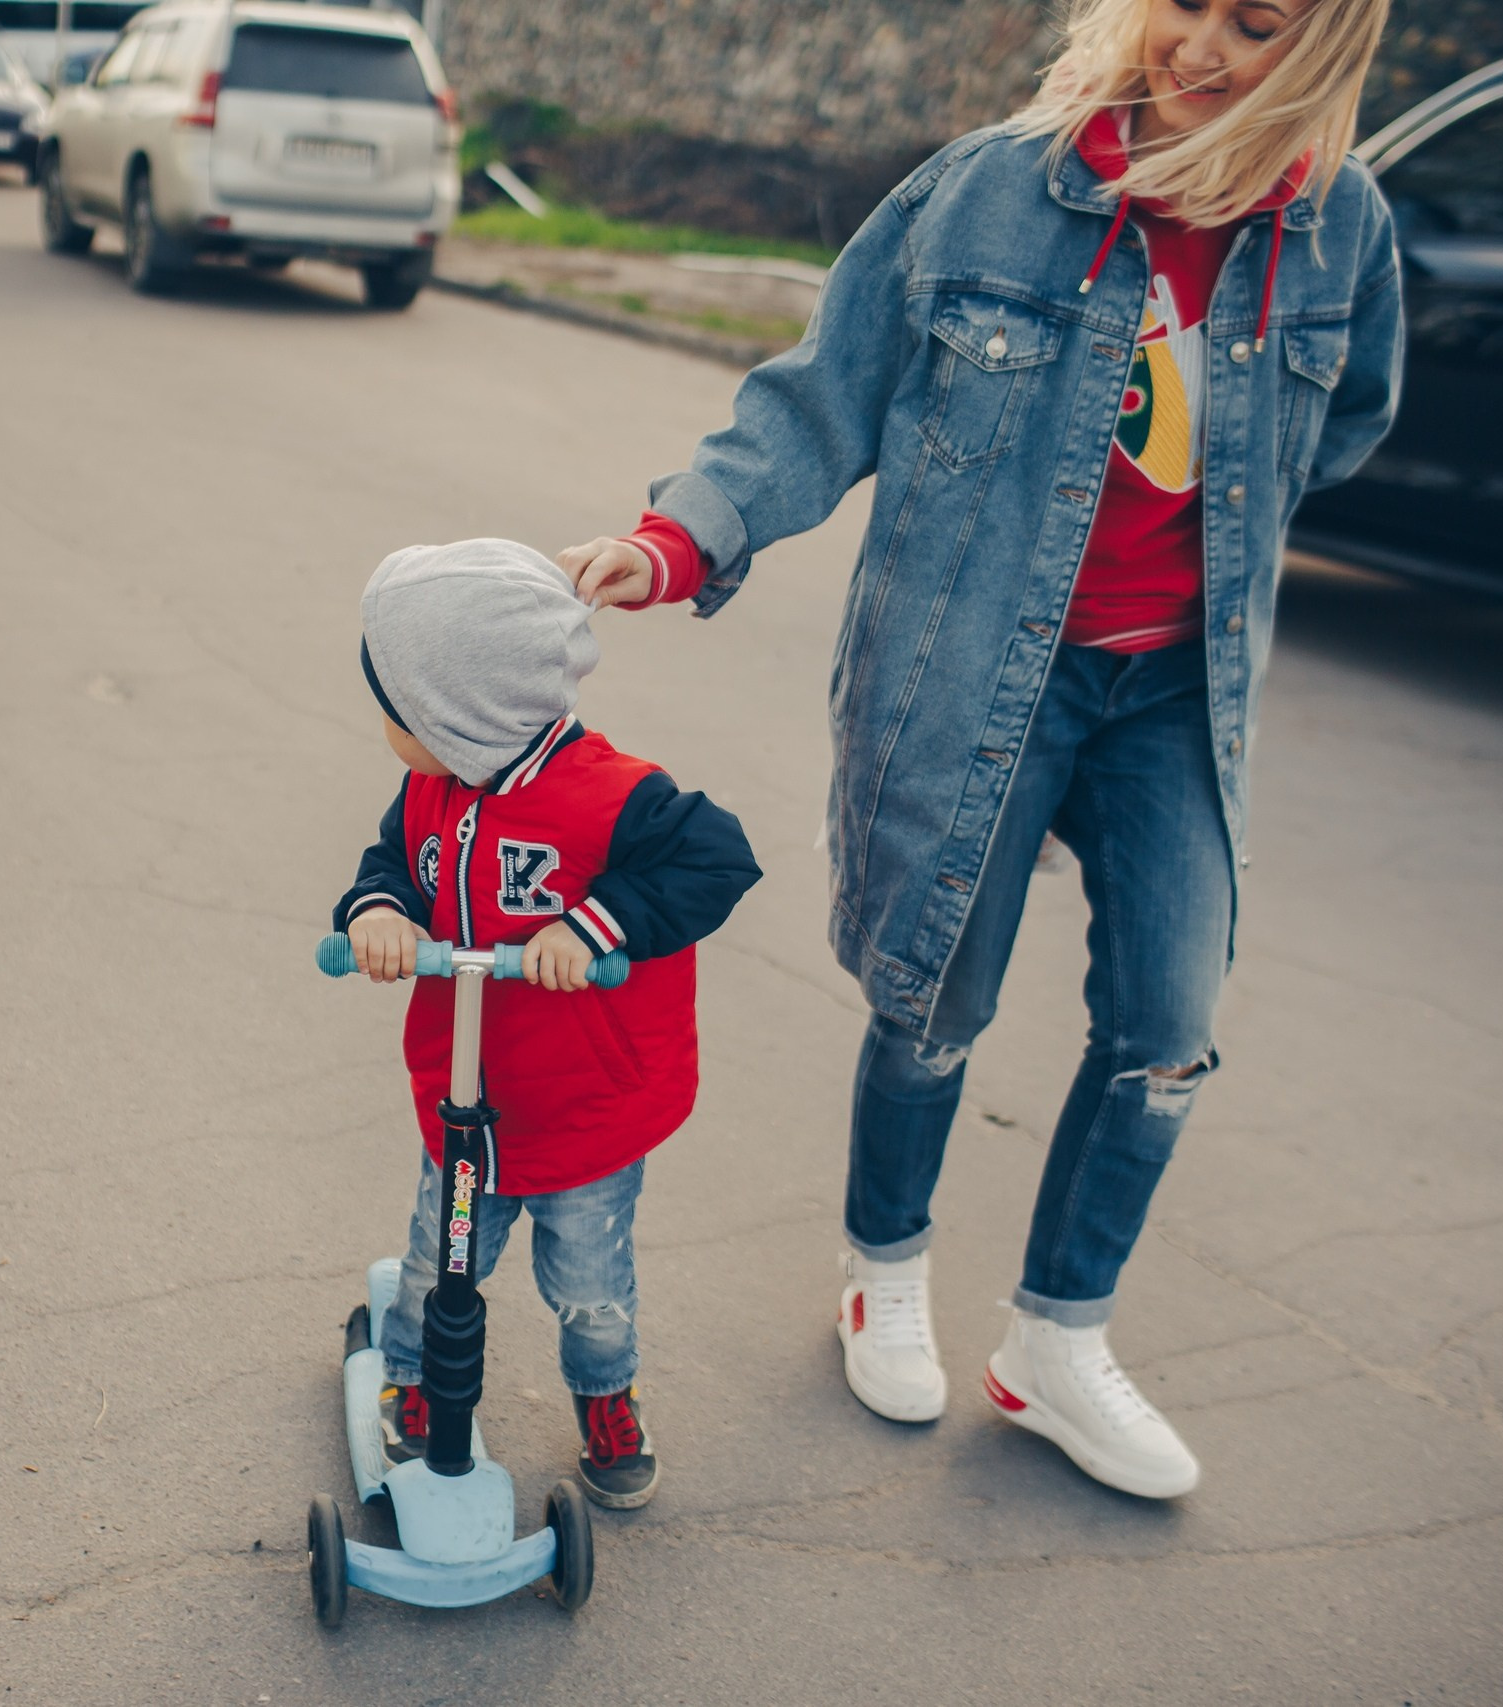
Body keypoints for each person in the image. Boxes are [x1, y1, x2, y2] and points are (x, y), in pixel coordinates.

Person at [556, 0, 1402, 1499]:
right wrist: (676, 536)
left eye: (1255, 24)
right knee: (937, 989)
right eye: (1186, 5)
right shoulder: (990, 189)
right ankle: (883, 1265)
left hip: (1175, 695)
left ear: (1325, 44)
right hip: (974, 673)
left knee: (1168, 1022)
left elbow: (1345, 427)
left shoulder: (1342, 232)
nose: (1202, 46)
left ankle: (1058, 1340)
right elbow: (817, 399)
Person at [335, 539, 760, 1510]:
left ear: (461, 713)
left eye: (395, 708)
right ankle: (409, 1375)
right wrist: (380, 914)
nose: (385, 727)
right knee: (443, 1264)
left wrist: (594, 923)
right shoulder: (433, 788)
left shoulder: (614, 798)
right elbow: (390, 863)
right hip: (467, 1099)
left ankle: (607, 1399)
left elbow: (716, 863)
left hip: (585, 1112)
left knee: (590, 1288)